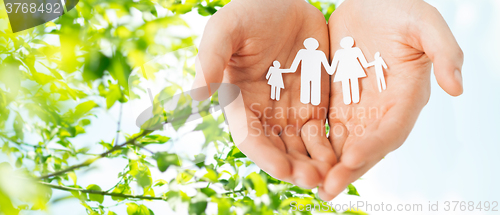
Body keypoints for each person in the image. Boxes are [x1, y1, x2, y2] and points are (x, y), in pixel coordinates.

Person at [289, 38, 332, 106]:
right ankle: (312, 100)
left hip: (310, 74)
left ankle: (309, 100)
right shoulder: (318, 53)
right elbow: (329, 69)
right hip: (313, 74)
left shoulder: (304, 52)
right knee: (313, 86)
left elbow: (293, 67)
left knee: (308, 86)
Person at [330, 36, 370, 105]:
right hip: (351, 70)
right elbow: (365, 63)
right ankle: (352, 99)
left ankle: (351, 99)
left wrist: (329, 70)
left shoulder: (341, 52)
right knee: (351, 83)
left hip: (347, 70)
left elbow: (333, 66)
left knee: (349, 83)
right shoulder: (354, 50)